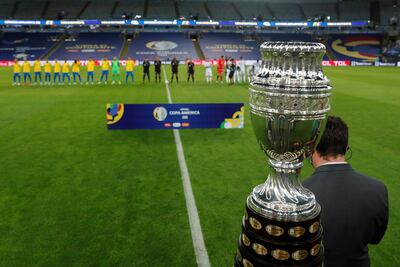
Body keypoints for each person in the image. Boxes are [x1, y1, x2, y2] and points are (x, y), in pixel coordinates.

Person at [303, 116, 388, 267]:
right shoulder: (378, 189)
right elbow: (375, 238)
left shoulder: (301, 195)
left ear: (312, 147)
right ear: (346, 145)